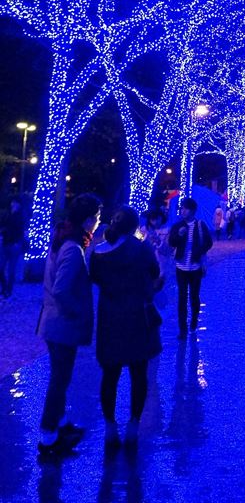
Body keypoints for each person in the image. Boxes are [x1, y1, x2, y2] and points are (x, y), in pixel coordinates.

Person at [89, 205, 162, 450]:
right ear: (133, 227)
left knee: (110, 375)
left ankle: (110, 426)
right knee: (138, 374)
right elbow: (154, 274)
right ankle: (133, 424)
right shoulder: (142, 250)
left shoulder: (98, 253)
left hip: (110, 319)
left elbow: (96, 279)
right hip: (137, 318)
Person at [37, 193, 102, 459]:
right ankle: (48, 436)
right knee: (59, 381)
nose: (99, 222)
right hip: (61, 325)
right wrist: (77, 313)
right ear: (88, 220)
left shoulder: (62, 237)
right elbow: (62, 289)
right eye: (97, 218)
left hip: (53, 322)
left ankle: (60, 424)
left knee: (60, 378)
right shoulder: (74, 249)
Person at [168, 197, 213, 338]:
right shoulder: (177, 226)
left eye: (185, 208)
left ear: (192, 210)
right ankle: (182, 329)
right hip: (181, 267)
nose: (182, 210)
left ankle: (193, 321)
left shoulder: (200, 225)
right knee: (182, 297)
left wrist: (197, 253)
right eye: (181, 208)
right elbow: (171, 242)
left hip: (195, 268)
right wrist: (178, 235)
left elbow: (209, 243)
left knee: (194, 297)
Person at [0, 197, 27, 297]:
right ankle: (4, 287)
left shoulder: (20, 216)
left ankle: (8, 290)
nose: (13, 204)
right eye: (13, 202)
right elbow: (3, 224)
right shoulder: (7, 214)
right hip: (6, 243)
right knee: (1, 268)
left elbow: (20, 229)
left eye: (15, 203)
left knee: (11, 270)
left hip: (14, 245)